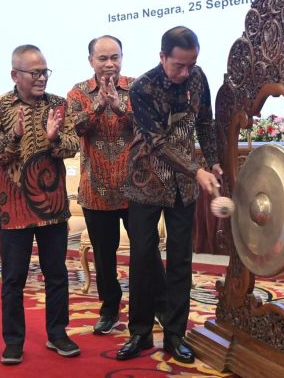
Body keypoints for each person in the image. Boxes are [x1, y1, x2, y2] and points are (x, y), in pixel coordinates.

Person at [117, 26, 222, 364]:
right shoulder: (142, 88)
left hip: (184, 188)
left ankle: (175, 336)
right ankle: (140, 333)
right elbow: (157, 142)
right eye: (178, 65)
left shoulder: (197, 78)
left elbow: (205, 122)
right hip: (146, 182)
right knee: (143, 260)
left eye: (191, 64)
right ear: (162, 57)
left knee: (180, 260)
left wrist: (214, 161)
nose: (185, 72)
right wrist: (197, 170)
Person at [0, 44, 81, 365]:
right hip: (13, 207)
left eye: (44, 72)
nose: (41, 78)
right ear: (16, 74)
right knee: (13, 279)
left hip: (51, 205)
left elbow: (72, 146)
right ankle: (13, 341)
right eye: (34, 73)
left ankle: (58, 333)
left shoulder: (59, 105)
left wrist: (54, 139)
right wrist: (13, 136)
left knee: (56, 274)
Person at [67, 35, 166, 335]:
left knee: (146, 252)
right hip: (96, 190)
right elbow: (75, 128)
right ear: (91, 61)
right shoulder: (78, 93)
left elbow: (152, 125)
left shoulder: (138, 87)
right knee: (104, 256)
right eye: (102, 58)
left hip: (136, 188)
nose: (110, 64)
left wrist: (120, 107)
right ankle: (110, 309)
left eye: (115, 57)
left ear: (122, 57)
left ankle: (160, 307)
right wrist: (98, 106)